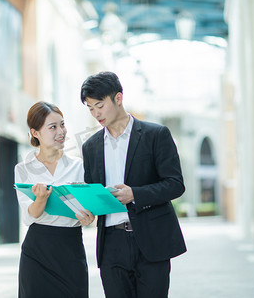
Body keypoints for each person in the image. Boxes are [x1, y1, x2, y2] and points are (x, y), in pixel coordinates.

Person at [80, 71, 187, 298]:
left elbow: (175, 184)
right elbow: (93, 191)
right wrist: (86, 208)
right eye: (90, 108)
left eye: (99, 105)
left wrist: (135, 194)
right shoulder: (90, 146)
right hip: (111, 244)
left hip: (151, 240)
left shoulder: (155, 135)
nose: (96, 113)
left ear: (118, 98)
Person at [14, 101, 95, 298]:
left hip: (71, 246)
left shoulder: (80, 166)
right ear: (35, 133)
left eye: (62, 124)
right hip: (37, 250)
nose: (61, 132)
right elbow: (29, 215)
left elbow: (91, 208)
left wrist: (90, 218)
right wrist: (41, 199)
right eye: (53, 127)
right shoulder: (23, 168)